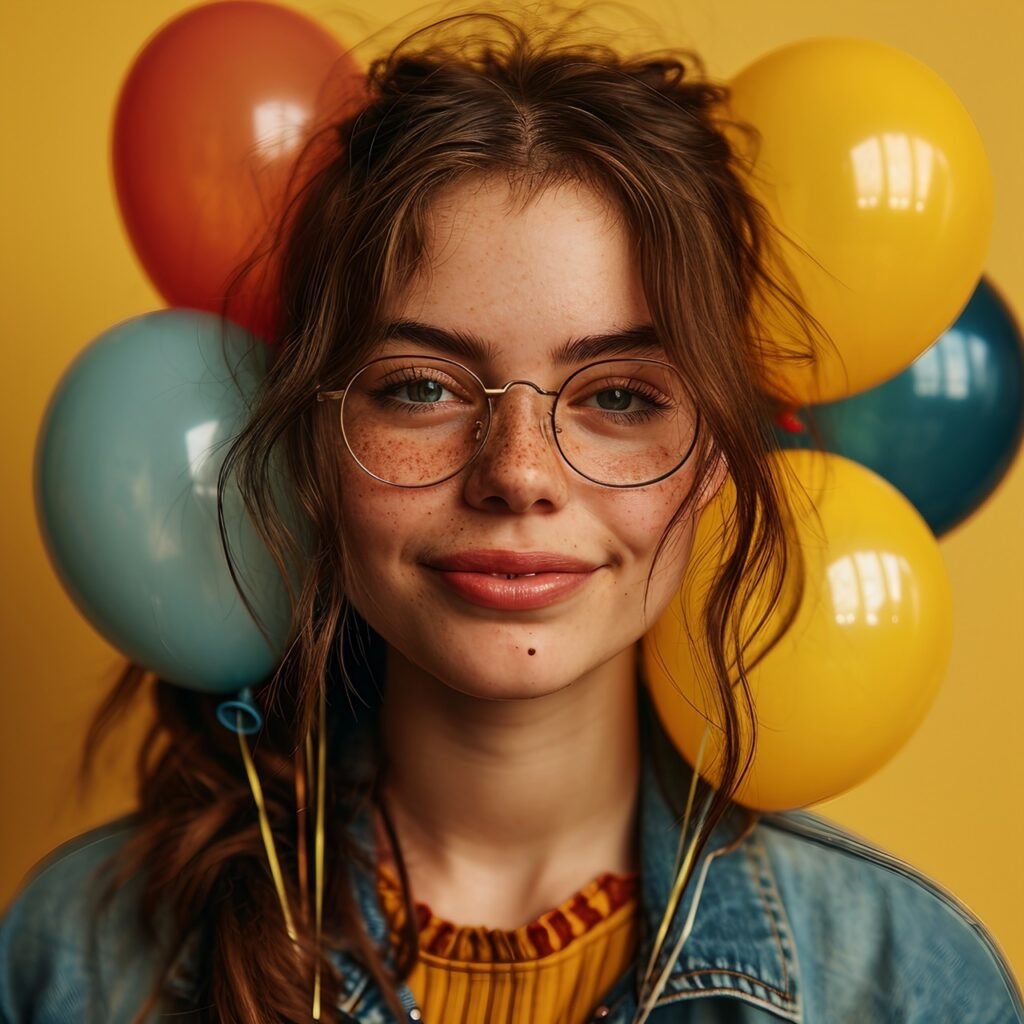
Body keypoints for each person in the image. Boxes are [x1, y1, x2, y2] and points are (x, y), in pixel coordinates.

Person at [2, 5, 1022, 1023]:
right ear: (308, 437)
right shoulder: (75, 961)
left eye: (619, 396)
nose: (519, 474)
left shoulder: (906, 982)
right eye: (420, 386)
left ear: (719, 451)